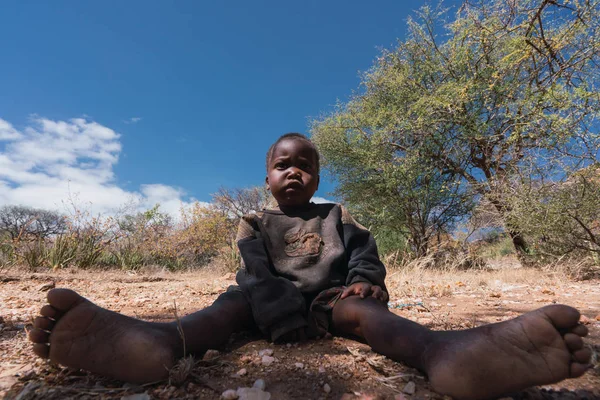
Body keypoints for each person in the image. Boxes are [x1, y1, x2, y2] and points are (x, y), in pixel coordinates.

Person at [29, 133, 591, 400]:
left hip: (332, 301)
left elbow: (365, 255)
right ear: (268, 177)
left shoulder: (342, 216)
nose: (293, 172)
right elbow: (252, 272)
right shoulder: (254, 223)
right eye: (282, 165)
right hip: (262, 303)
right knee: (225, 310)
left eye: (305, 166)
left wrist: (367, 283)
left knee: (371, 319)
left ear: (317, 177)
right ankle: (159, 343)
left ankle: (444, 352)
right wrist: (275, 313)